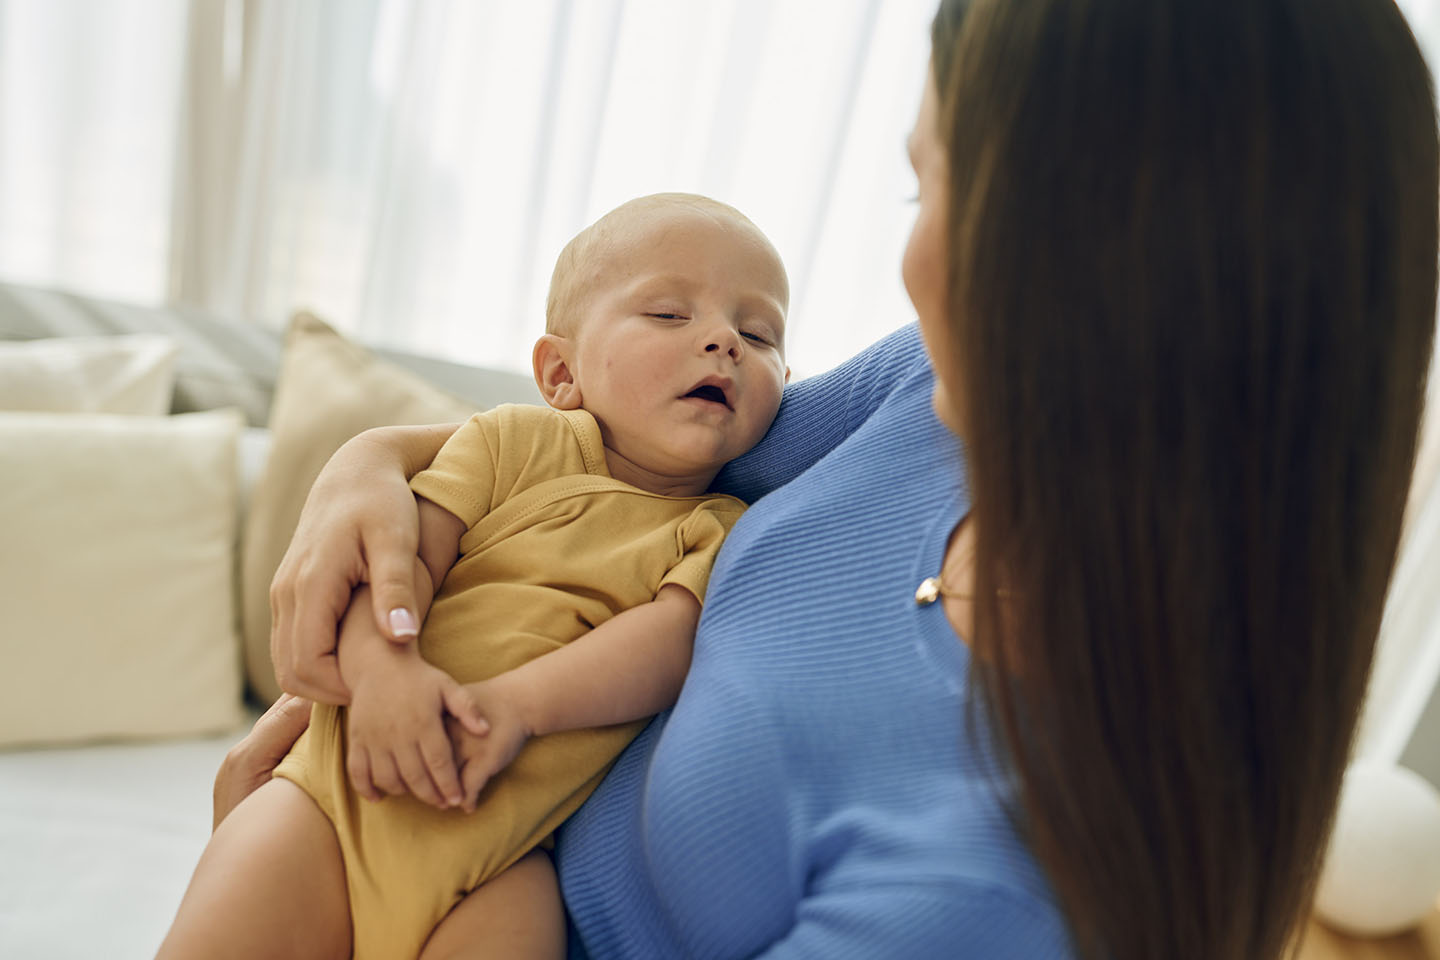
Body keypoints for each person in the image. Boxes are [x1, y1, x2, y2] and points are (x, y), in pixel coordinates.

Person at [214, 0, 1439, 957]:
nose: (905, 266)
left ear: (1093, 266)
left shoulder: (1000, 894)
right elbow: (637, 445)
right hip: (398, 826)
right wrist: (362, 468)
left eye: (932, 187)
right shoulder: (937, 396)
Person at [159, 193, 791, 960]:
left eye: (759, 334)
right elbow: (398, 567)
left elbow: (667, 643)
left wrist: (516, 706)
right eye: (668, 314)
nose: (725, 341)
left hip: (501, 854)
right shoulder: (512, 444)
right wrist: (384, 672)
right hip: (333, 797)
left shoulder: (722, 525)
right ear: (561, 372)